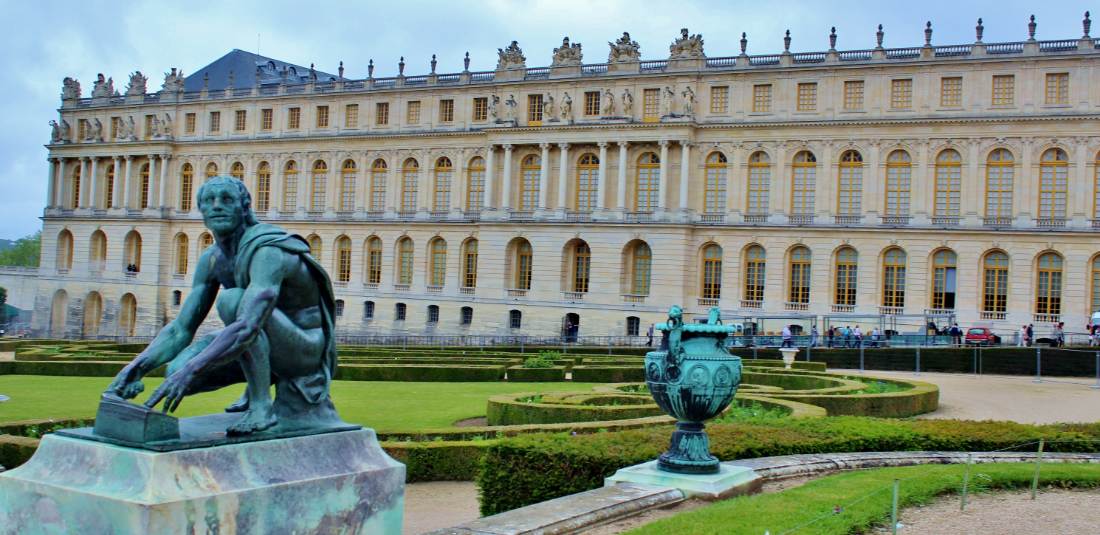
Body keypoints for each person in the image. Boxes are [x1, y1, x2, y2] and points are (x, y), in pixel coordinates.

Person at [106, 176, 339, 436]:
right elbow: (180, 329)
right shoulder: (212, 258)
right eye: (209, 200)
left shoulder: (267, 251)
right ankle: (258, 385)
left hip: (305, 351)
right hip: (264, 337)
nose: (217, 206)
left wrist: (193, 369)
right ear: (202, 210)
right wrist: (135, 369)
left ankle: (261, 406)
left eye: (227, 199)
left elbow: (247, 325)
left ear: (245, 207)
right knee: (175, 369)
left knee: (232, 301)